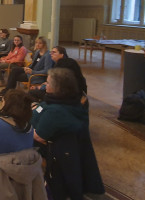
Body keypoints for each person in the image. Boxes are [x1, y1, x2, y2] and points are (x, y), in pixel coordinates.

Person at [31, 68, 104, 199]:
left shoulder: (56, 112)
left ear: (57, 88)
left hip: (53, 152)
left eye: (47, 83)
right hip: (67, 150)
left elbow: (38, 136)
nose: (44, 85)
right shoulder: (69, 101)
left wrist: (28, 128)